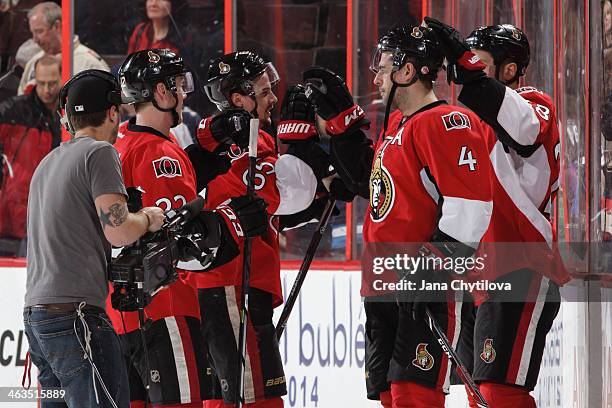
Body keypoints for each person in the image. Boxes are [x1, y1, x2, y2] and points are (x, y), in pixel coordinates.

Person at [302, 25, 498, 407]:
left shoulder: (445, 123)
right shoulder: (397, 125)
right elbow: (372, 186)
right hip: (381, 285)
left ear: (407, 71)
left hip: (421, 285)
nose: (375, 77)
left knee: (414, 396)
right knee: (391, 395)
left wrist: (430, 269)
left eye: (383, 67)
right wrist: (342, 127)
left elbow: (472, 208)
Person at [108, 48, 269, 408]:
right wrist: (235, 224)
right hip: (165, 307)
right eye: (179, 85)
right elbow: (182, 241)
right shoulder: (159, 154)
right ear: (161, 93)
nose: (184, 93)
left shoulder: (120, 142)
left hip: (122, 315)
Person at [425, 18, 571, 407]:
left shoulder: (536, 105)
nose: (466, 69)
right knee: (478, 394)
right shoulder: (473, 122)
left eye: (479, 61)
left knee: (498, 393)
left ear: (508, 70)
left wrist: (465, 68)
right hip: (481, 276)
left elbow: (522, 132)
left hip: (521, 267)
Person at [23, 68, 166, 408]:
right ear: (114, 112)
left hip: (37, 318)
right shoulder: (99, 153)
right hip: (76, 318)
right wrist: (147, 218)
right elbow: (118, 230)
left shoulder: (47, 162)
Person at [193, 50, 327, 407]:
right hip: (235, 284)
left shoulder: (234, 141)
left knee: (228, 396)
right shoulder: (244, 146)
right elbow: (290, 194)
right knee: (256, 398)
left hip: (231, 284)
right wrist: (305, 145)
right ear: (239, 99)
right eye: (265, 91)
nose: (273, 99)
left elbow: (280, 207)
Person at [0, 55, 61, 256]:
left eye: (52, 83)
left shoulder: (70, 114)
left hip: (54, 206)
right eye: (42, 83)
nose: (46, 89)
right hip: (16, 207)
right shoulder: (14, 110)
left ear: (62, 78)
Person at [18, 1, 109, 95]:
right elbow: (21, 103)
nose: (35, 39)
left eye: (39, 31)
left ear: (57, 26)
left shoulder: (89, 63)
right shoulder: (33, 62)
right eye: (33, 33)